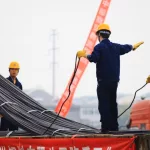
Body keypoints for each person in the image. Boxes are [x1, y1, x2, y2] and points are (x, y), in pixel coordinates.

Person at [76, 23, 144, 133]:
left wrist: (85, 55)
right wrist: (132, 47)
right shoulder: (115, 47)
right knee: (112, 103)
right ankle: (114, 127)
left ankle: (106, 128)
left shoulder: (99, 47)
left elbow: (94, 58)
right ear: (108, 34)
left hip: (103, 81)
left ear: (99, 35)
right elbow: (125, 48)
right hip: (114, 81)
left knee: (104, 104)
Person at [0, 61, 22, 131]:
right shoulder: (4, 82)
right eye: (12, 69)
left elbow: (21, 100)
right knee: (3, 132)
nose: (14, 71)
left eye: (16, 69)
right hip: (5, 112)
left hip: (15, 113)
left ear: (18, 71)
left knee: (14, 132)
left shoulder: (19, 85)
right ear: (9, 70)